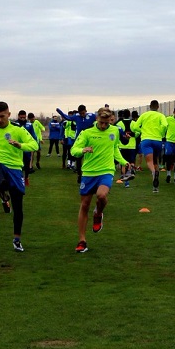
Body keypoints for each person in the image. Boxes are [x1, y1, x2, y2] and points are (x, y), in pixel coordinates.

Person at [0, 101, 39, 252]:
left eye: (2, 116)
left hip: (15, 169)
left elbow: (34, 145)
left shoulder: (18, 130)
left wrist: (20, 145)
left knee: (18, 207)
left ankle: (17, 239)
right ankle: (3, 188)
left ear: (8, 114)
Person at [71, 107, 130, 253]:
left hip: (106, 171)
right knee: (84, 205)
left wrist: (123, 162)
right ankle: (82, 240)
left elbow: (115, 148)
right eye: (101, 122)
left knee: (102, 195)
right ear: (97, 119)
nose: (104, 126)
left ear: (110, 120)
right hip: (89, 172)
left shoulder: (114, 131)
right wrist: (82, 150)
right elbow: (74, 150)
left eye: (106, 123)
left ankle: (98, 214)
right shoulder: (87, 133)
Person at [57, 104, 97, 182]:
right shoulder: (76, 116)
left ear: (86, 111)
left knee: (91, 156)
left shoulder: (92, 116)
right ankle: (79, 174)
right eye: (81, 113)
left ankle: (91, 173)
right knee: (79, 157)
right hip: (79, 140)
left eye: (83, 113)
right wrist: (59, 111)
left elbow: (100, 118)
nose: (82, 115)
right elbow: (67, 117)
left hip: (90, 139)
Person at [135, 100, 169, 193]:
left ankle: (154, 173)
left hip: (146, 140)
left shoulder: (144, 115)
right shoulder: (161, 115)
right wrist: (161, 133)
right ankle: (155, 187)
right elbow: (165, 125)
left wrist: (142, 130)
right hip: (157, 140)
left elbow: (135, 127)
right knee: (155, 161)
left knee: (149, 161)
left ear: (149, 106)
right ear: (158, 107)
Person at [116, 109, 137, 188]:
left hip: (122, 145)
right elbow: (138, 132)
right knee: (131, 162)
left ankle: (125, 180)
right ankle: (131, 173)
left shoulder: (119, 123)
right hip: (132, 145)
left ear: (123, 115)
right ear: (130, 115)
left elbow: (118, 133)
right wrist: (133, 135)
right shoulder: (134, 123)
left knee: (123, 163)